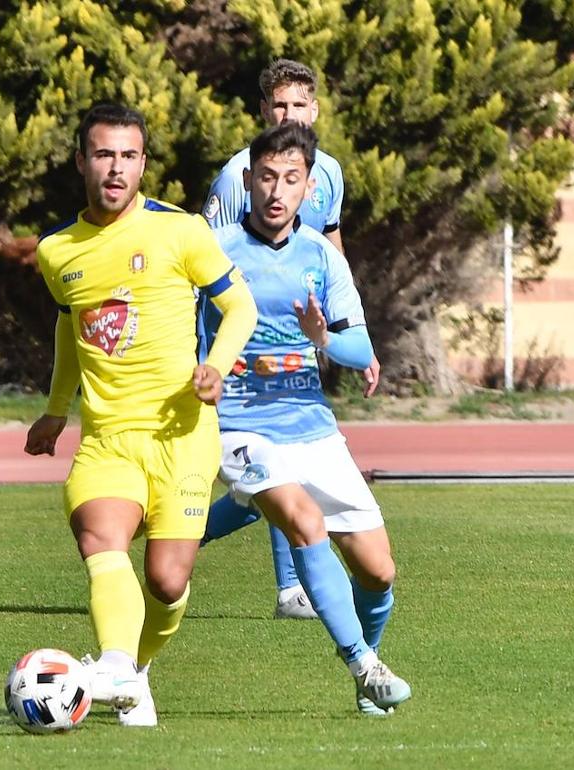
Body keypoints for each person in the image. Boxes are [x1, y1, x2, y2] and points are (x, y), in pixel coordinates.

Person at [24, 102, 257, 727]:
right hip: (105, 440)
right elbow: (73, 329)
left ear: (144, 163)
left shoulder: (181, 231)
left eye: (128, 156)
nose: (115, 168)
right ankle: (116, 663)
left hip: (181, 437)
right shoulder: (56, 251)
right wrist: (55, 412)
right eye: (103, 154)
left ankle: (136, 669)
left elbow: (240, 309)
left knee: (168, 581)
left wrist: (218, 365)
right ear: (81, 162)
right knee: (102, 541)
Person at [200, 122, 410, 715]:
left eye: (291, 179)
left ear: (308, 186)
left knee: (378, 571)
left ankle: (367, 676)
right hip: (236, 424)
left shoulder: (321, 256)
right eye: (267, 177)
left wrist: (323, 338)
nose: (277, 190)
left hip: (311, 425)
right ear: (248, 179)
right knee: (303, 521)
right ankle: (362, 663)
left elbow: (361, 350)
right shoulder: (211, 249)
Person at [201, 58, 380, 620]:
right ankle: (289, 589)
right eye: (279, 106)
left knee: (264, 492)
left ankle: (174, 533)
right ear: (262, 111)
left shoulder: (327, 172)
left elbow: (329, 243)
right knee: (278, 478)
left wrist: (344, 330)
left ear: (316, 110)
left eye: (299, 105)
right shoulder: (239, 177)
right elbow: (206, 262)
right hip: (239, 360)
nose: (289, 114)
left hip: (303, 337)